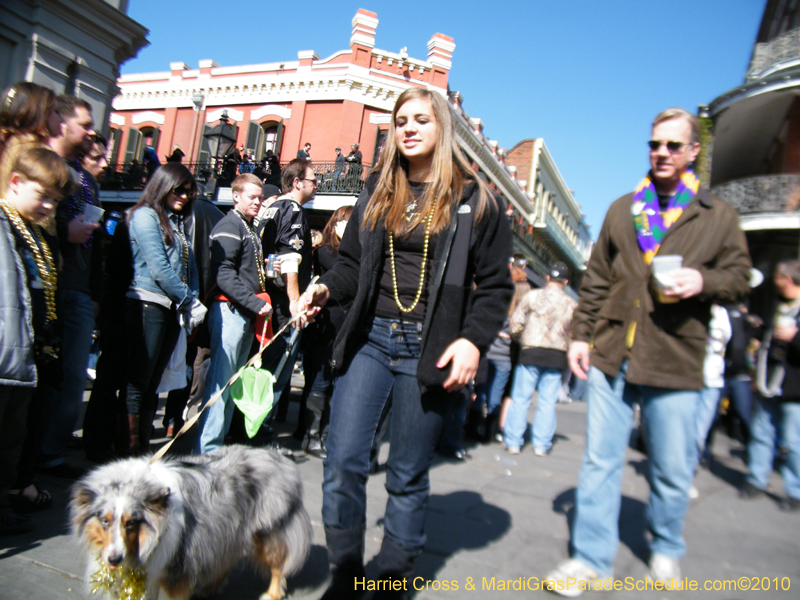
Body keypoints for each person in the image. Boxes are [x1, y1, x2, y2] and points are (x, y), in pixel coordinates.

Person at [301, 87, 513, 599]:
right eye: (401, 121)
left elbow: (496, 285)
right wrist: (326, 288)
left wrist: (472, 342)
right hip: (370, 340)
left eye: (421, 119)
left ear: (442, 128)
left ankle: (392, 579)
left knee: (406, 473)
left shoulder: (474, 200)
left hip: (431, 347)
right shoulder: (377, 189)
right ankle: (347, 572)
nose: (409, 128)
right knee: (344, 459)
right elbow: (351, 265)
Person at [544, 107, 751, 595]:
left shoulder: (715, 215)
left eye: (673, 146)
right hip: (614, 352)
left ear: (693, 152)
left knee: (672, 467)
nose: (661, 153)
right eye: (655, 144)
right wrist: (580, 334)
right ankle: (592, 560)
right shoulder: (624, 208)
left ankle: (665, 546)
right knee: (600, 461)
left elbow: (741, 279)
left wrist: (703, 280)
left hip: (676, 356)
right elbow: (595, 280)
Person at [0, 146, 71, 534]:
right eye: (43, 196)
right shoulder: (5, 224)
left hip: (24, 352)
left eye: (55, 201)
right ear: (15, 182)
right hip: (6, 348)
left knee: (14, 436)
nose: (48, 206)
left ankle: (6, 499)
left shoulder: (34, 230)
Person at [39, 95, 100, 478]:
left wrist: (94, 291)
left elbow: (92, 246)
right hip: (48, 286)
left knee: (72, 377)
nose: (92, 131)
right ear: (61, 121)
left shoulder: (87, 179)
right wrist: (66, 231)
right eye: (85, 123)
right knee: (43, 377)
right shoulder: (40, 165)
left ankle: (48, 454)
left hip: (78, 289)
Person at [124, 163, 204, 455]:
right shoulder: (144, 216)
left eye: (188, 191)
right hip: (147, 302)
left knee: (152, 382)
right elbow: (159, 267)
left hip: (171, 306)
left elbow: (190, 266)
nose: (184, 196)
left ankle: (141, 448)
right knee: (139, 381)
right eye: (178, 189)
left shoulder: (177, 222)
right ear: (163, 185)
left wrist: (189, 297)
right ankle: (131, 449)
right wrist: (188, 299)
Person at [195, 173, 271, 454]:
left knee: (230, 384)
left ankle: (217, 449)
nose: (258, 202)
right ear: (235, 196)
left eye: (260, 197)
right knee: (219, 384)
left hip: (243, 312)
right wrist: (254, 302)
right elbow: (224, 273)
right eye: (252, 196)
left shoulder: (247, 226)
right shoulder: (230, 224)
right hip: (230, 311)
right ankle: (207, 452)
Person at [259, 159, 315, 427]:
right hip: (283, 306)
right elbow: (289, 257)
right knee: (274, 374)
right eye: (313, 180)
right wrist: (295, 301)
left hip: (267, 299)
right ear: (297, 183)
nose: (316, 186)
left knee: (262, 372)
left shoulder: (270, 209)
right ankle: (259, 436)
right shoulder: (292, 209)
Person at [741, 260, 800, 511]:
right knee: (761, 433)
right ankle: (756, 479)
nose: (774, 282)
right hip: (769, 382)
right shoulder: (776, 305)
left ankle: (795, 491)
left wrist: (794, 337)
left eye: (777, 277)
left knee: (794, 442)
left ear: (788, 279)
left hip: (794, 389)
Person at [503, 261, 576, 456]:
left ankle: (513, 442)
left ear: (547, 278)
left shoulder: (532, 296)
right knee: (547, 401)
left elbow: (516, 323)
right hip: (556, 354)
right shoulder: (571, 304)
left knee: (521, 398)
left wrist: (521, 339)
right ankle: (541, 445)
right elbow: (574, 334)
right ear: (566, 282)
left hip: (531, 351)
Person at [297, 205, 352, 459]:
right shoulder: (327, 252)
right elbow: (338, 272)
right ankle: (311, 436)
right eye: (349, 224)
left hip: (341, 328)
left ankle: (318, 432)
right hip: (323, 327)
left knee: (330, 382)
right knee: (319, 380)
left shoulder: (347, 253)